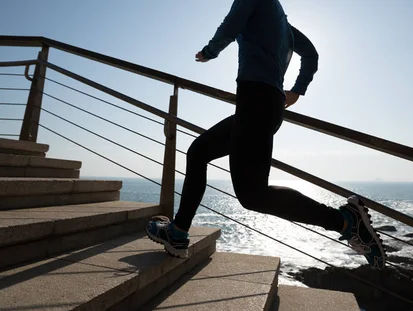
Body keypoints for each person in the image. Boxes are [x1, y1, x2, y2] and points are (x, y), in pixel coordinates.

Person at [146, 0, 386, 269]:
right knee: (200, 151)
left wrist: (208, 52)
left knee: (253, 195)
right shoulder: (284, 24)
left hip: (256, 102)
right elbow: (312, 55)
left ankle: (345, 221)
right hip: (263, 104)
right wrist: (297, 89)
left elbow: (230, 25)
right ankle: (178, 232)